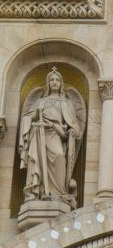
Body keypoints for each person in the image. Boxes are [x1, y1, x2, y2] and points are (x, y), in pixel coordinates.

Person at [19, 67, 81, 205]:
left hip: (56, 135)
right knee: (39, 162)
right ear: (48, 83)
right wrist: (35, 115)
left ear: (61, 83)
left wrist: (71, 131)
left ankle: (59, 193)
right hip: (39, 134)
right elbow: (27, 118)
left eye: (57, 80)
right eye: (51, 80)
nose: (54, 82)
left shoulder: (66, 103)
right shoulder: (40, 102)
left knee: (59, 157)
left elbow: (74, 126)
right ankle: (39, 192)